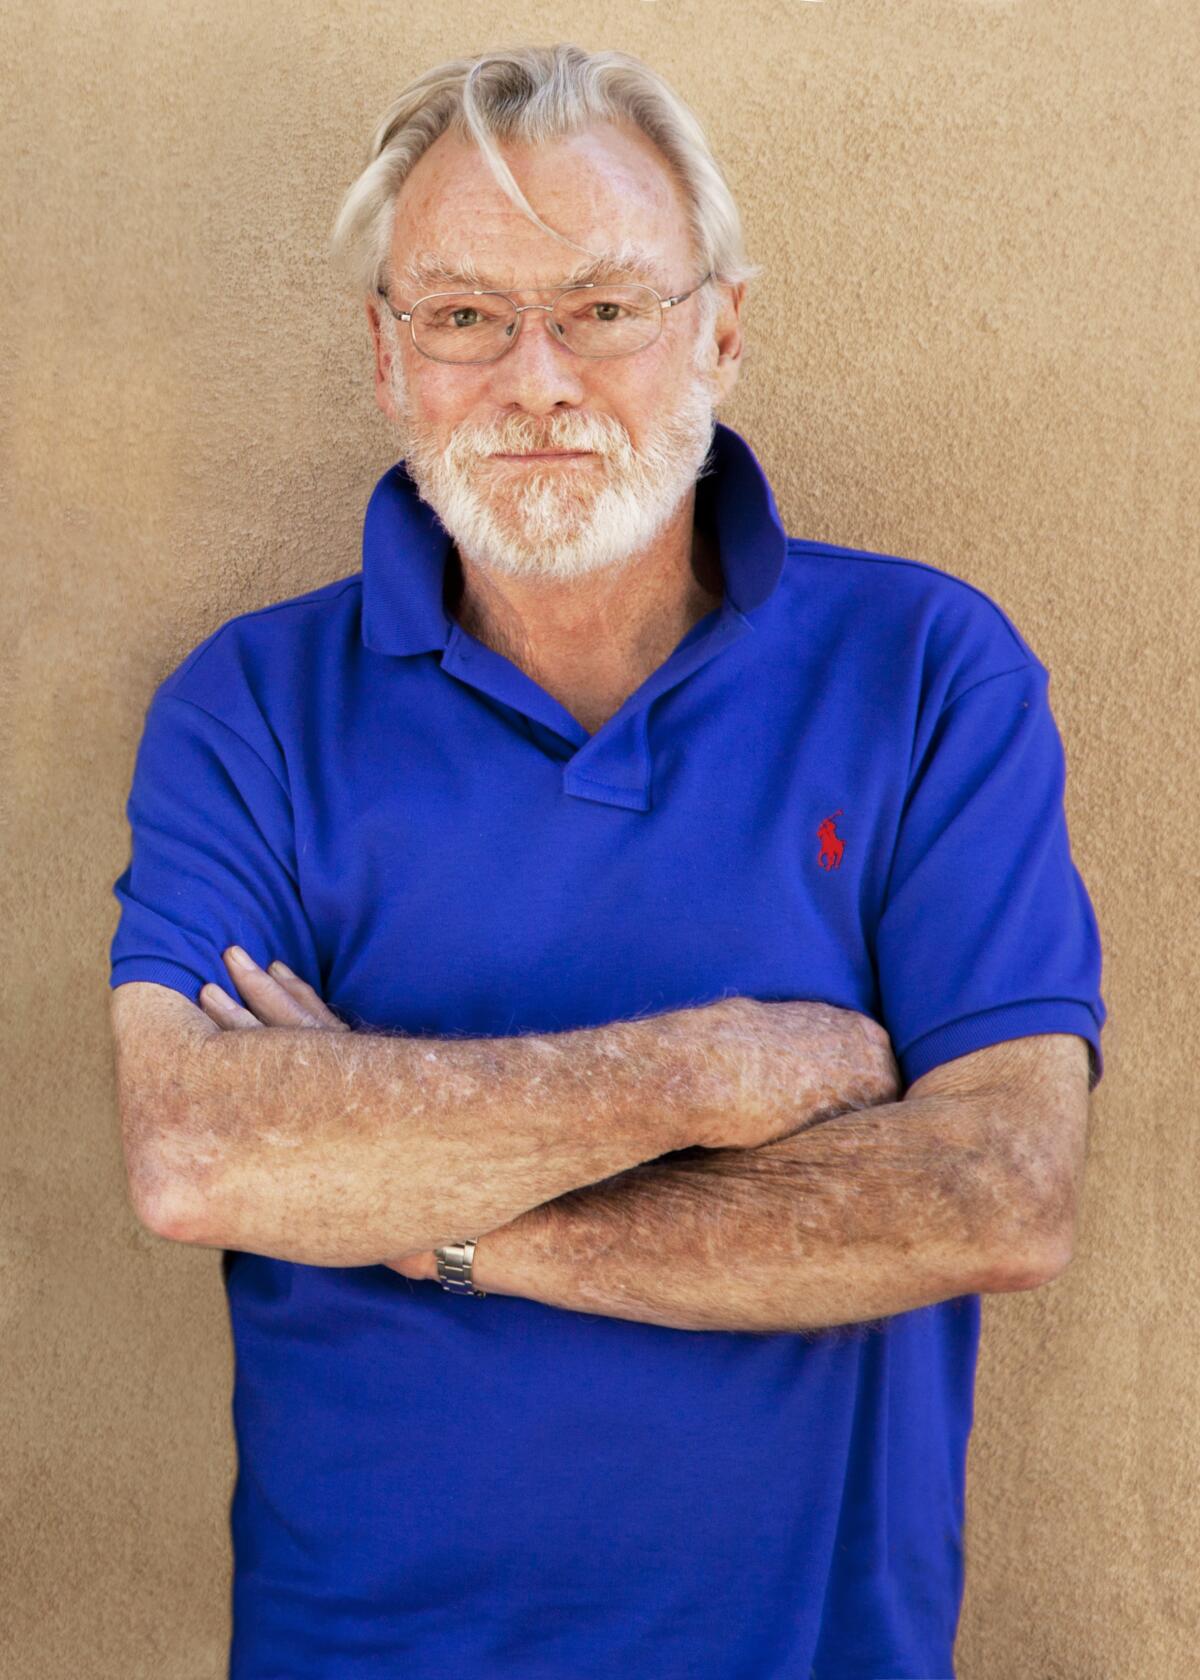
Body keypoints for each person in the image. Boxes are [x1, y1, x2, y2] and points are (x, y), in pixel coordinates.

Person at [107, 42, 1106, 1680]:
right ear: (385, 354)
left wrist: (428, 1217)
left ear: (719, 324)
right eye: (463, 317)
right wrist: (723, 1066)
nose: (537, 379)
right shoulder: (251, 707)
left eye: (604, 309)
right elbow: (201, 1158)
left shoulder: (927, 669)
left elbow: (991, 1194)